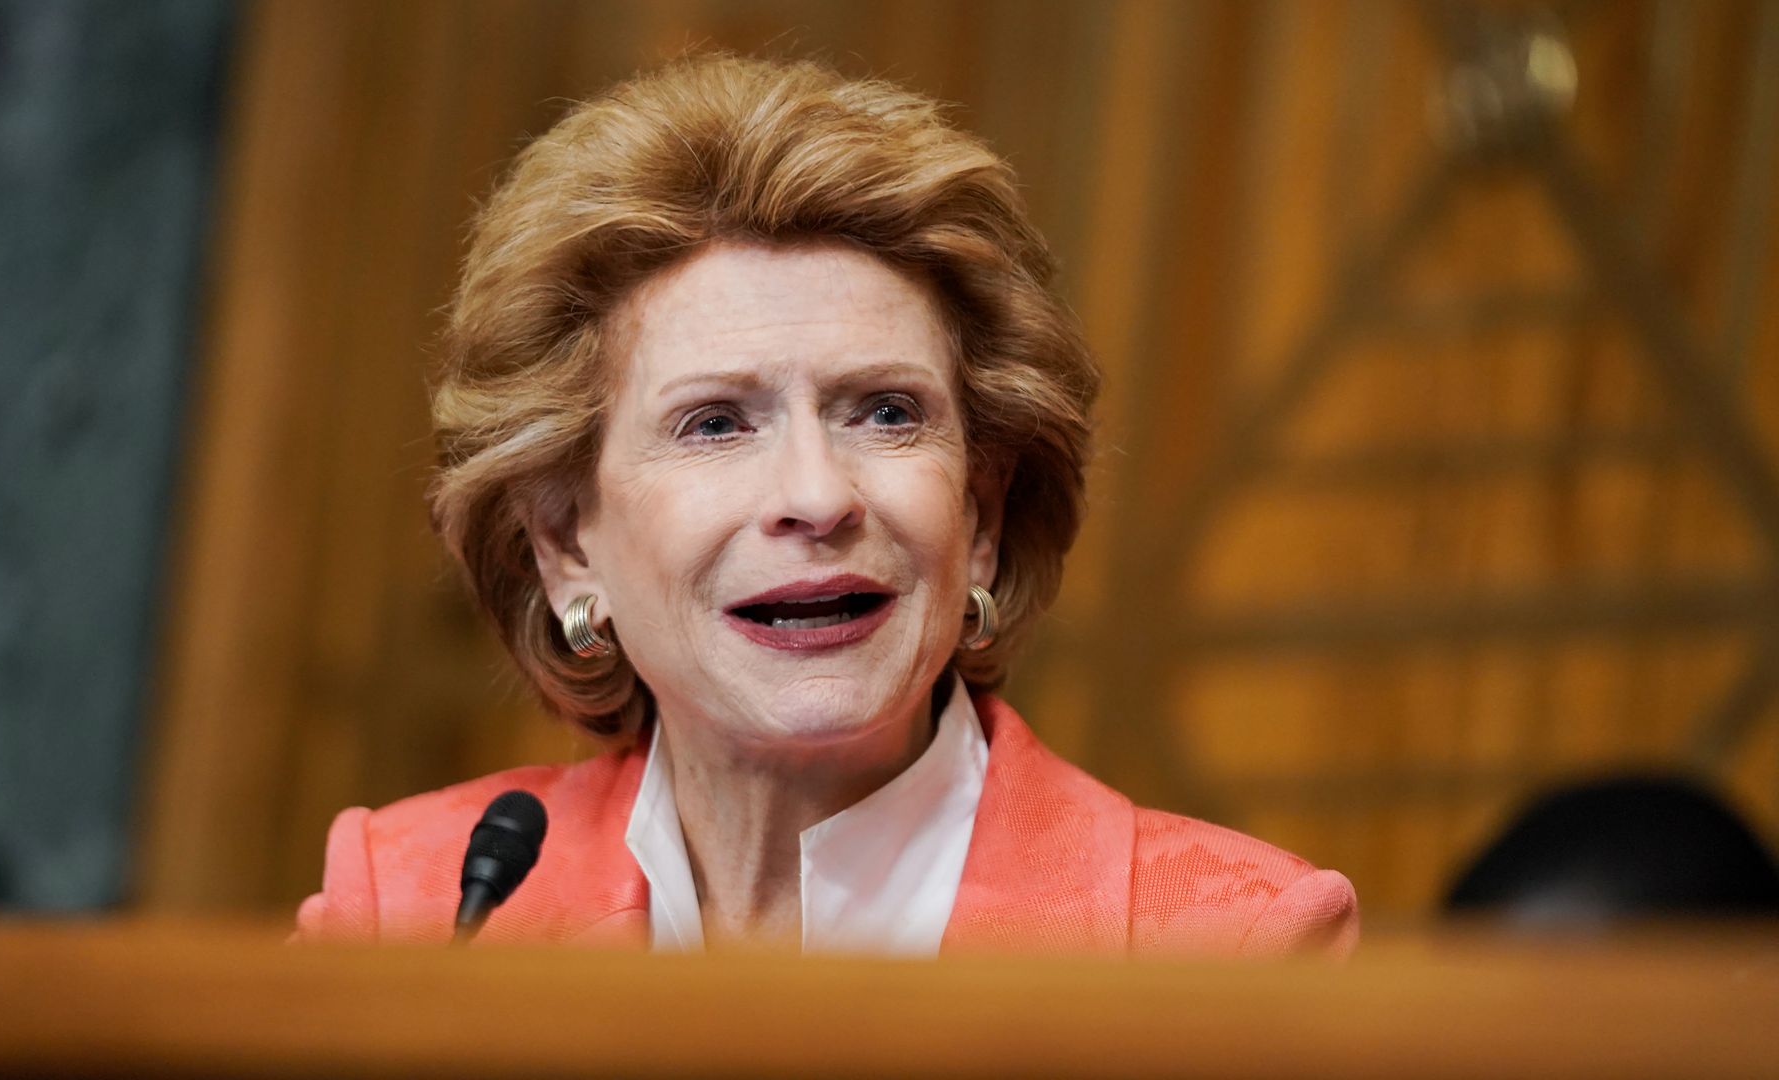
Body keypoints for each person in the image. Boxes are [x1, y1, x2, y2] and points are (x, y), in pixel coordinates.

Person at [295, 54, 1357, 957]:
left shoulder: (1234, 952)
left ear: (982, 519)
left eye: (887, 413)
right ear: (566, 542)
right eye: (716, 423)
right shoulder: (418, 917)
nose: (816, 495)